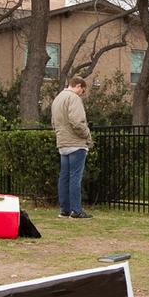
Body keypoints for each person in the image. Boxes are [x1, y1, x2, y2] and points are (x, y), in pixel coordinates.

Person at [51, 76, 93, 219]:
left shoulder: (57, 99)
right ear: (79, 86)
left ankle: (65, 209)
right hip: (76, 143)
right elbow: (77, 121)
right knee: (75, 177)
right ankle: (76, 210)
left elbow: (53, 122)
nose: (81, 94)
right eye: (82, 91)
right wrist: (87, 135)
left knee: (64, 177)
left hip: (62, 142)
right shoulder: (74, 98)